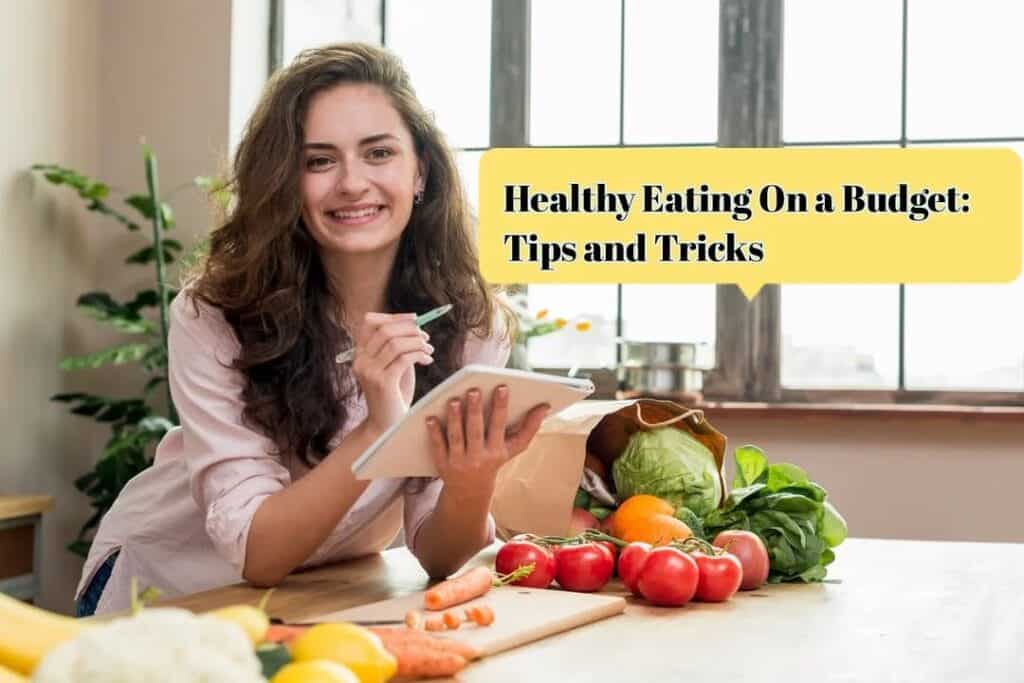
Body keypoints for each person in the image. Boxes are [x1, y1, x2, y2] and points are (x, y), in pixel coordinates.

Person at [74, 42, 550, 616]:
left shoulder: (470, 324)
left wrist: (472, 482)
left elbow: (444, 559)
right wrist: (379, 426)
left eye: (378, 153)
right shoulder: (214, 313)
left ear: (419, 170)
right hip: (169, 594)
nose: (351, 183)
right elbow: (258, 554)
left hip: (312, 601)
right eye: (319, 161)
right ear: (285, 183)